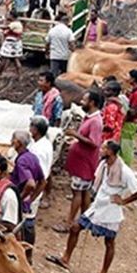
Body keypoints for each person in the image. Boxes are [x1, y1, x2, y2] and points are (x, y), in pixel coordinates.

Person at [48, 140, 137, 273]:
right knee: (75, 228)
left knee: (109, 242)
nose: (101, 150)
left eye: (104, 148)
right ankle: (65, 258)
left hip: (111, 210)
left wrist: (123, 201)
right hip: (98, 205)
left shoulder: (124, 171)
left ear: (111, 152)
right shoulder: (104, 165)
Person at [56, 91, 104, 232]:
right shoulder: (90, 118)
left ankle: (69, 222)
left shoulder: (95, 121)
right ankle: (85, 218)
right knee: (84, 192)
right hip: (82, 161)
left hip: (84, 163)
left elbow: (94, 143)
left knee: (77, 192)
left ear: (92, 103)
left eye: (84, 100)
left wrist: (75, 134)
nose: (81, 102)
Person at [10, 130, 46, 256]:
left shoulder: (21, 161)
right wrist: (31, 199)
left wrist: (20, 198)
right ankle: (28, 256)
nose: (11, 142)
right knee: (29, 226)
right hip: (27, 203)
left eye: (13, 139)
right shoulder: (32, 157)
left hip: (19, 201)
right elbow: (42, 181)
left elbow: (31, 183)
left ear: (18, 143)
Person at [101, 80, 126, 144]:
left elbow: (110, 126)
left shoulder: (112, 107)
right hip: (114, 136)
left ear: (114, 92)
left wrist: (96, 126)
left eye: (107, 90)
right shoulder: (116, 103)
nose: (104, 92)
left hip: (109, 137)